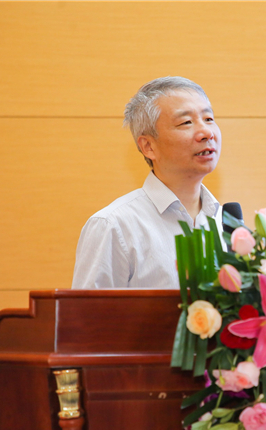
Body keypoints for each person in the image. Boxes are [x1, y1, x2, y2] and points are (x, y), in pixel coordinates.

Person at [71, 77, 222, 288]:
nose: (207, 133)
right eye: (186, 122)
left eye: (209, 119)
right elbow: (90, 310)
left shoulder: (227, 223)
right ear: (148, 147)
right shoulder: (114, 225)